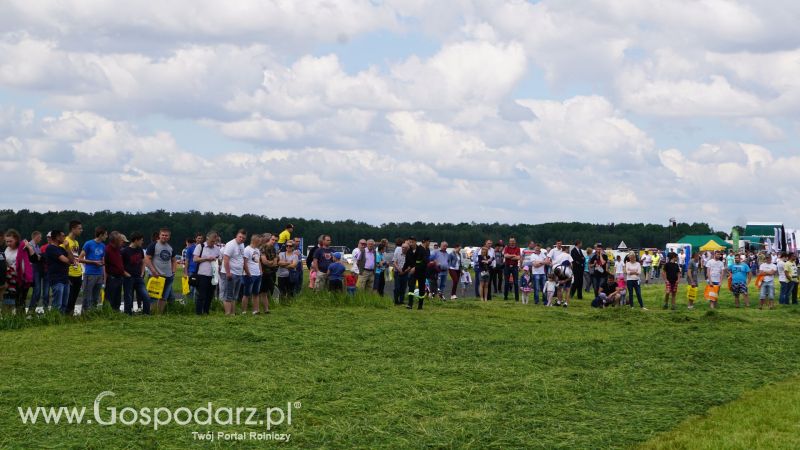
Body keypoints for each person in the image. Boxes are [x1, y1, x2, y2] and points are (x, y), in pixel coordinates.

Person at [145, 227, 178, 314]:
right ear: (159, 235)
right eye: (162, 235)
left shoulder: (170, 247)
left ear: (169, 237)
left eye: (166, 235)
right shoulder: (153, 245)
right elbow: (147, 259)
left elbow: (174, 260)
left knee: (164, 297)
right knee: (153, 297)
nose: (164, 237)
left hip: (168, 276)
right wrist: (153, 271)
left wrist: (173, 271)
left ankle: (159, 314)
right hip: (156, 276)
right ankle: (151, 313)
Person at [79, 226, 107, 313]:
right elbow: (80, 258)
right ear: (101, 235)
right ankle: (84, 314)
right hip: (90, 274)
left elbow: (103, 260)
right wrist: (93, 262)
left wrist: (103, 270)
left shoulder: (103, 246)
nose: (107, 236)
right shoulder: (88, 244)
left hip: (99, 274)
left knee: (96, 297)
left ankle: (93, 314)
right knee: (87, 297)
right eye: (106, 234)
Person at [44, 230, 73, 313]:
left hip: (65, 279)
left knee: (64, 304)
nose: (64, 238)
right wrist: (69, 260)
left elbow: (72, 260)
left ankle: (62, 322)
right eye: (63, 236)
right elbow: (65, 260)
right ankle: (55, 320)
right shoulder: (50, 248)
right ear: (57, 237)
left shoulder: (61, 248)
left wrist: (67, 247)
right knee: (57, 304)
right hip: (57, 280)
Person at [122, 232, 150, 315]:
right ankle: (128, 314)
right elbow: (120, 265)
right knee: (128, 297)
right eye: (141, 240)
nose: (142, 242)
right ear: (136, 240)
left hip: (138, 277)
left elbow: (143, 261)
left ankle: (146, 314)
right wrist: (126, 274)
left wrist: (142, 273)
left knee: (145, 296)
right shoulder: (125, 251)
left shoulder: (140, 249)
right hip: (128, 278)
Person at [221, 229, 246, 315]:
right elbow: (226, 259)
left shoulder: (242, 245)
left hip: (239, 273)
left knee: (235, 295)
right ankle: (228, 314)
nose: (241, 239)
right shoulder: (230, 244)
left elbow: (241, 258)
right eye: (240, 237)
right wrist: (228, 273)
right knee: (229, 295)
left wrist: (242, 271)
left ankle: (233, 313)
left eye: (243, 238)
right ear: (236, 236)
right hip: (230, 273)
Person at [62, 220, 83, 316]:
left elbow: (76, 257)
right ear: (73, 229)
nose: (81, 230)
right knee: (69, 297)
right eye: (79, 228)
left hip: (78, 272)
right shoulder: (65, 241)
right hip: (69, 273)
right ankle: (66, 315)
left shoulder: (76, 242)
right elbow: (63, 258)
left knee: (74, 296)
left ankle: (71, 315)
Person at [104, 231, 127, 313]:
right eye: (120, 240)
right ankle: (107, 313)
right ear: (115, 240)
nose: (122, 242)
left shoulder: (118, 249)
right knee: (110, 298)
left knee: (117, 298)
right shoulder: (107, 250)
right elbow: (104, 264)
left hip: (119, 277)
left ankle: (116, 312)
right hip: (112, 277)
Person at [28, 231, 48, 312]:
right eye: (40, 237)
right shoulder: (30, 245)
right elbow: (36, 258)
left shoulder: (36, 246)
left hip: (38, 270)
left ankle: (32, 310)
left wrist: (39, 257)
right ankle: (31, 310)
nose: (41, 239)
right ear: (36, 237)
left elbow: (38, 257)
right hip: (34, 270)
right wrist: (39, 257)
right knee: (37, 291)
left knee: (37, 291)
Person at [406, 238, 429, 309]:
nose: (411, 244)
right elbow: (408, 261)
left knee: (421, 289)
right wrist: (405, 269)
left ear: (415, 242)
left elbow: (425, 262)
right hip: (413, 273)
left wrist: (415, 268)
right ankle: (410, 304)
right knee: (411, 287)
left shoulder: (423, 250)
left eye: (412, 242)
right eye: (410, 242)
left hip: (422, 272)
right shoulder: (409, 251)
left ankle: (420, 305)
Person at [242, 234, 262, 314]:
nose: (260, 242)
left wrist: (260, 271)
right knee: (247, 293)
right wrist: (248, 273)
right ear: (255, 241)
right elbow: (244, 263)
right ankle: (244, 311)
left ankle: (255, 310)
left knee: (256, 293)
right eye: (259, 241)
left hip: (258, 274)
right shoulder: (247, 249)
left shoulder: (257, 250)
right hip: (249, 274)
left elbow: (258, 261)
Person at [259, 233, 278, 313]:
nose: (274, 241)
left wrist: (270, 262)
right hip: (263, 273)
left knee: (266, 291)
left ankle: (266, 309)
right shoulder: (263, 247)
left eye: (275, 240)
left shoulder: (274, 249)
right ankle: (258, 308)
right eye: (272, 239)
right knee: (261, 292)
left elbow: (275, 263)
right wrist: (271, 262)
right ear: (269, 239)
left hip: (271, 273)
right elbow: (264, 261)